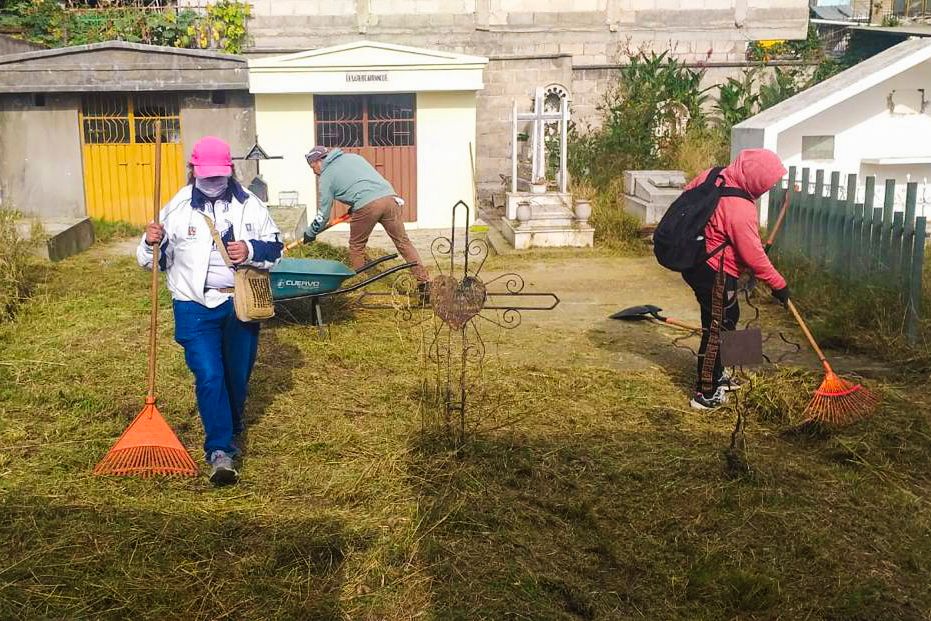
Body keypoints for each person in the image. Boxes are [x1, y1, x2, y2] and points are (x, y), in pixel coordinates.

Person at [137, 136, 283, 485]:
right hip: (194, 305)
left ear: (229, 171)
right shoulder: (177, 208)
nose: (214, 181)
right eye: (208, 175)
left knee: (236, 376)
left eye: (220, 175)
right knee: (209, 374)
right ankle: (220, 451)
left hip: (240, 304)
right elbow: (152, 262)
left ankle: (231, 423)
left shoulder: (250, 205)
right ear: (194, 170)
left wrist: (249, 249)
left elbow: (276, 250)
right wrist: (151, 242)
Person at [683, 148, 790, 410]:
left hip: (697, 259)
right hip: (714, 270)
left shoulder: (714, 175)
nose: (767, 188)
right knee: (717, 327)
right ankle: (706, 392)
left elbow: (687, 199)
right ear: (756, 179)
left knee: (730, 315)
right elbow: (755, 258)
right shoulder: (740, 208)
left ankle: (721, 373)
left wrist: (713, 233)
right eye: (767, 183)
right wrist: (780, 286)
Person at [302, 146, 430, 294]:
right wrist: (355, 204)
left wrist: (311, 232)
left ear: (318, 161)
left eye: (312, 167)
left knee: (356, 246)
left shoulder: (326, 177)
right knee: (403, 242)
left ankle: (361, 287)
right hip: (390, 198)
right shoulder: (353, 157)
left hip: (367, 206)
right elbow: (363, 182)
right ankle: (424, 282)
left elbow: (323, 214)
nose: (314, 172)